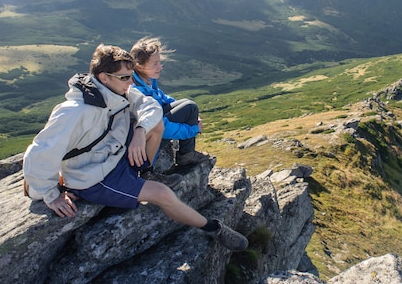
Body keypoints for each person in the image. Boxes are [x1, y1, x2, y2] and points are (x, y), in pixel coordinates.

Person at [23, 44, 247, 252]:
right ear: (103, 77)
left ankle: (145, 172)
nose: (131, 83)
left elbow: (150, 107)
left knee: (155, 124)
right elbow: (40, 152)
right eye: (125, 78)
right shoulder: (73, 111)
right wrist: (51, 195)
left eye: (130, 77)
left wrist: (140, 131)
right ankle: (214, 228)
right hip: (96, 177)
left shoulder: (117, 92)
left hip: (112, 157)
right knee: (162, 194)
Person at [130, 37, 208, 166]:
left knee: (189, 107)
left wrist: (191, 115)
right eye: (155, 64)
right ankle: (185, 156)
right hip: (149, 138)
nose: (160, 67)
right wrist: (193, 129)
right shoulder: (137, 91)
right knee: (190, 107)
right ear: (139, 66)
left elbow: (162, 98)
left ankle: (187, 154)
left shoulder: (146, 80)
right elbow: (162, 127)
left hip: (154, 126)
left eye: (159, 62)